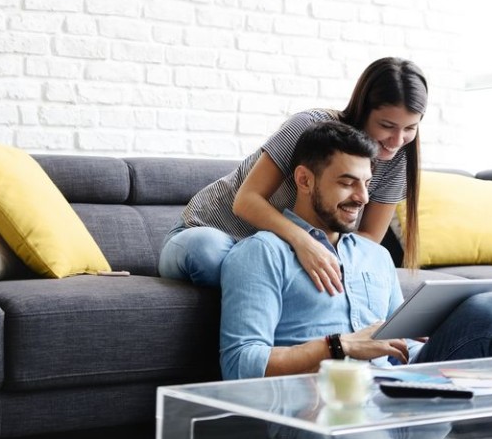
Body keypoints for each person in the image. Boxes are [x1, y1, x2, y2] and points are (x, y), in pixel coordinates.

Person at [218, 121, 492, 439]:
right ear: (304, 180)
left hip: (406, 399)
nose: (362, 198)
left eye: (367, 184)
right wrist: (340, 346)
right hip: (327, 411)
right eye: (347, 182)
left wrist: (438, 344)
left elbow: (398, 346)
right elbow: (240, 365)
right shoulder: (261, 253)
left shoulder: (375, 255)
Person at [158, 57, 427, 292]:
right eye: (387, 125)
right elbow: (246, 201)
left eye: (410, 128)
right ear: (363, 109)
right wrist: (304, 244)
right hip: (212, 233)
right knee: (210, 254)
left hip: (276, 255)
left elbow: (368, 239)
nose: (396, 140)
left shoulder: (397, 161)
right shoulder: (309, 127)